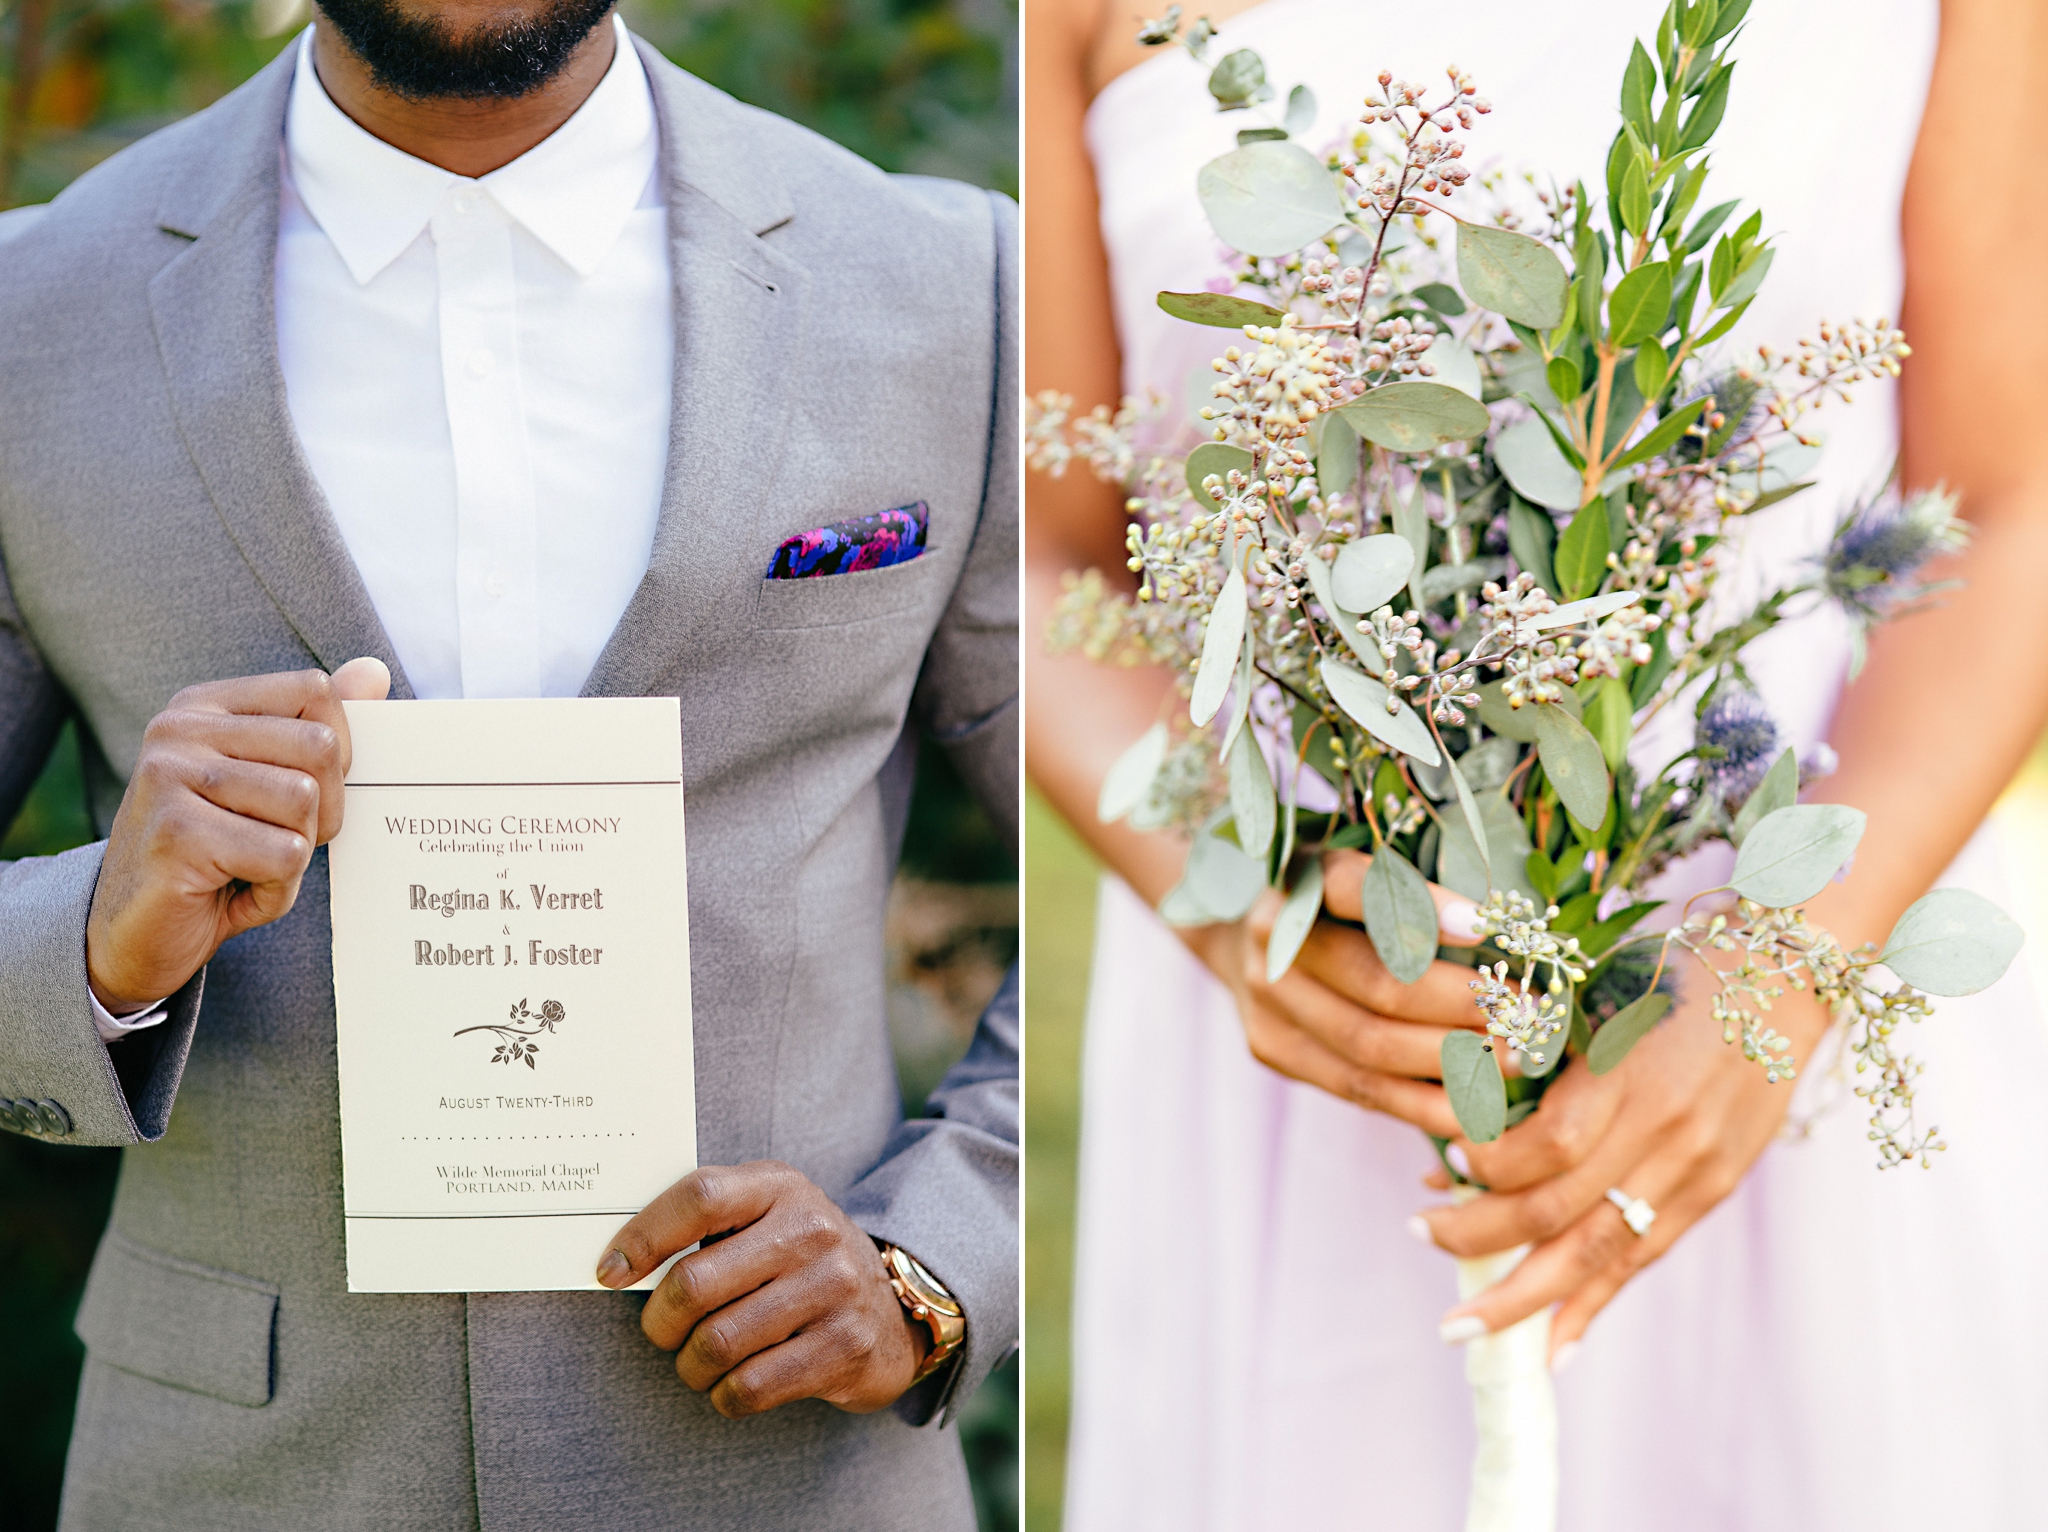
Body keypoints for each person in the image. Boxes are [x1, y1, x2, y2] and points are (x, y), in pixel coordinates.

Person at [1026, 0, 2048, 1526]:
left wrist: (1777, 970)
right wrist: (1244, 904)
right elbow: (1043, 565)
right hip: (1320, 1032)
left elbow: (2009, 499)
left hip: (1803, 978)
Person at [0, 0, 1017, 1523]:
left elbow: (1138, 876)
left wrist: (939, 1259)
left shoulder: (953, 290)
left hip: (788, 1477)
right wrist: (87, 950)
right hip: (238, 1477)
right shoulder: (28, 319)